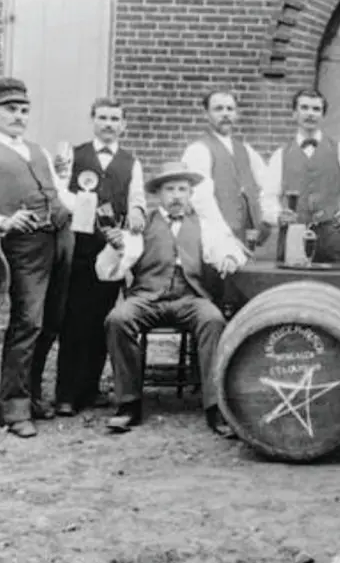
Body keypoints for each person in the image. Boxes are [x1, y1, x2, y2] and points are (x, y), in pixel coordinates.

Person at [0, 77, 74, 438]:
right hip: (24, 247)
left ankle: (34, 394)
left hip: (61, 240)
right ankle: (14, 406)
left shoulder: (38, 151)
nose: (18, 116)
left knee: (53, 322)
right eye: (10, 109)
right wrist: (3, 221)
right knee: (28, 323)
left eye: (23, 110)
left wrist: (68, 191)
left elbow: (59, 193)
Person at [95, 161, 246, 436]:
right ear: (159, 194)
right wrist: (115, 247)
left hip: (190, 298)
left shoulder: (204, 224)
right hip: (147, 298)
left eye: (182, 189)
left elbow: (229, 246)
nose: (176, 195)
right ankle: (128, 404)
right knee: (117, 319)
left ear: (190, 194)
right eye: (170, 189)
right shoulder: (140, 224)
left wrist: (228, 257)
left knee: (213, 320)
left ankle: (216, 407)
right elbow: (106, 271)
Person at [54, 98, 147, 417]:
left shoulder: (130, 162)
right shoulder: (74, 156)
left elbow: (137, 197)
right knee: (74, 320)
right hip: (79, 247)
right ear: (93, 120)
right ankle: (66, 393)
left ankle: (90, 389)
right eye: (103, 118)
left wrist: (136, 213)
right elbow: (61, 194)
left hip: (112, 250)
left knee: (103, 320)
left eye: (115, 119)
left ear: (123, 125)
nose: (109, 124)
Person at [262, 88, 340, 264]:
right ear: (294, 114)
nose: (310, 114)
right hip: (292, 232)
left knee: (330, 286)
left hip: (328, 234)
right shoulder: (281, 154)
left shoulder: (339, 150)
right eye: (304, 108)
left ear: (323, 115)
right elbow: (268, 196)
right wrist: (277, 215)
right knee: (291, 284)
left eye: (316, 109)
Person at [181, 90, 268, 247]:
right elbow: (201, 199)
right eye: (218, 109)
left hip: (249, 235)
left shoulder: (246, 150)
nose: (225, 114)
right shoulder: (199, 149)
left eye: (230, 109)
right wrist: (221, 233)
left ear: (236, 114)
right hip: (216, 237)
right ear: (206, 114)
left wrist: (263, 221)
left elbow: (265, 187)